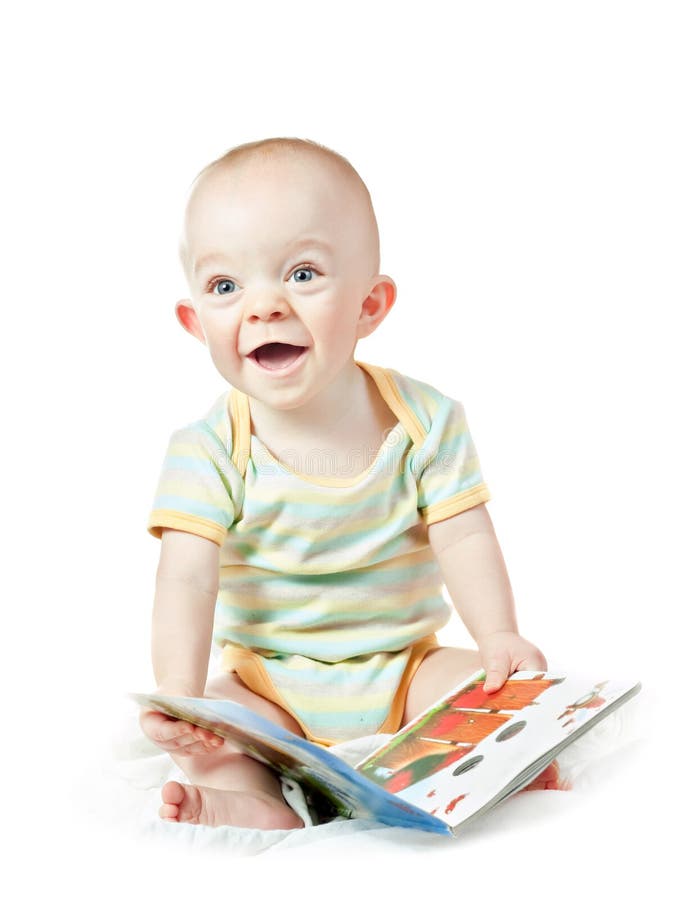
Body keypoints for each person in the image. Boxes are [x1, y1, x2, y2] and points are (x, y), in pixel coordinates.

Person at [139, 137, 561, 830]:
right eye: (225, 287)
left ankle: (489, 768)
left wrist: (499, 636)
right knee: (219, 726)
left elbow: (463, 534)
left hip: (405, 671)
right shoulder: (208, 448)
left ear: (371, 304)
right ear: (195, 322)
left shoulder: (425, 420)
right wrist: (182, 695)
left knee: (504, 692)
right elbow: (185, 580)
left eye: (302, 274)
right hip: (270, 685)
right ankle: (256, 801)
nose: (264, 306)